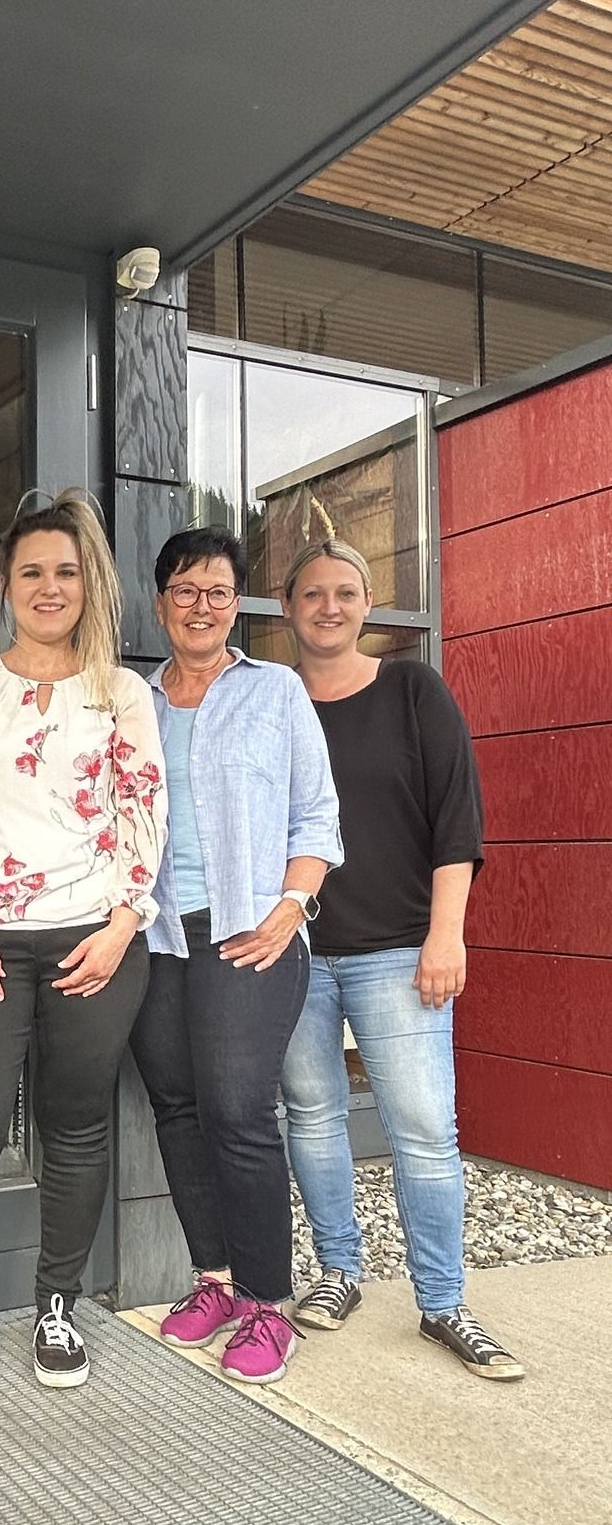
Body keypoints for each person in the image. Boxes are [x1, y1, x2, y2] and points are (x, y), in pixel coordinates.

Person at [0, 489, 165, 1401]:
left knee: (76, 1125)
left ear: (85, 583)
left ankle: (57, 1305)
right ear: (6, 585)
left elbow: (144, 813)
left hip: (96, 940)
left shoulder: (122, 693)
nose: (49, 587)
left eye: (65, 572)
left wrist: (123, 926)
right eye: (32, 573)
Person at [278, 539, 522, 1379]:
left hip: (399, 954)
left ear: (368, 603)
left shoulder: (414, 690)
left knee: (423, 1133)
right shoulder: (275, 702)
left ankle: (444, 1303)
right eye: (314, 594)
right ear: (289, 606)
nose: (330, 607)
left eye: (346, 592)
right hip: (297, 955)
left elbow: (457, 818)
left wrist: (445, 933)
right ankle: (339, 1272)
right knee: (312, 1120)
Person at [129, 526, 342, 1386]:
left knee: (238, 1113)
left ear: (238, 603)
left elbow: (317, 816)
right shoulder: (131, 702)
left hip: (246, 930)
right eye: (185, 590)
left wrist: (291, 910)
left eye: (218, 591)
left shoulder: (276, 692)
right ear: (161, 603)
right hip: (153, 932)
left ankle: (266, 1303)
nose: (202, 606)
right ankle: (212, 1279)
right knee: (177, 1109)